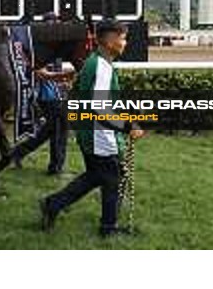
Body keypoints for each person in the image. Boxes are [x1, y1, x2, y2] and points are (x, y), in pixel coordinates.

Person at [39, 19, 145, 237]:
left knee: (97, 176)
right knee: (112, 178)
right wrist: (128, 127)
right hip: (100, 135)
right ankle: (108, 228)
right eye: (123, 38)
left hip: (89, 132)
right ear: (110, 40)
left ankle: (53, 204)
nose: (125, 43)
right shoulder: (101, 66)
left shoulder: (94, 62)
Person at [13, 13, 72, 174]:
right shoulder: (36, 47)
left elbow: (53, 74)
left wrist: (64, 81)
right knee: (59, 127)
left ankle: (16, 154)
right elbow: (42, 74)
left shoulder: (56, 47)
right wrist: (68, 75)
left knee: (49, 131)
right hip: (43, 96)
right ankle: (56, 168)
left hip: (55, 95)